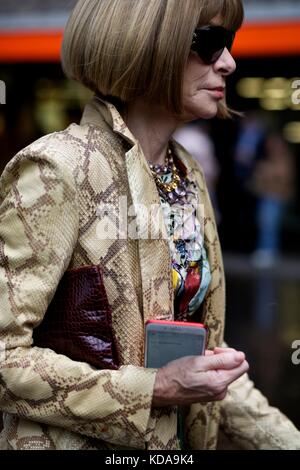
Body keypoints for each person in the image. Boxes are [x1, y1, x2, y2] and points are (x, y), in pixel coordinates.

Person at [0, 0, 299, 451]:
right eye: (209, 42)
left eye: (229, 44)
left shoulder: (188, 173)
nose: (229, 61)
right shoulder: (57, 168)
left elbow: (201, 370)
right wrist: (153, 389)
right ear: (146, 45)